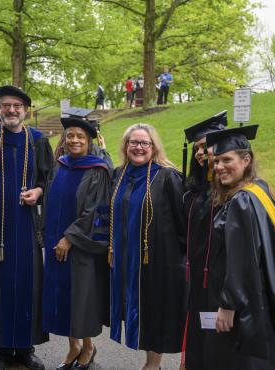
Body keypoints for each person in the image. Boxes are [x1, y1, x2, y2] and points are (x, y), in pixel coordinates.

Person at [184, 125, 275, 370]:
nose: (219, 167)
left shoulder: (241, 201)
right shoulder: (259, 189)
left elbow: (242, 259)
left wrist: (228, 304)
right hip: (260, 297)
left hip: (243, 305)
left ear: (246, 159)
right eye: (216, 160)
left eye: (227, 160)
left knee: (234, 360)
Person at [0, 85, 54, 370]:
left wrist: (39, 192)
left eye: (17, 106)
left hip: (27, 226)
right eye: (6, 105)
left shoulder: (38, 141)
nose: (11, 110)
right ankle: (3, 349)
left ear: (25, 110)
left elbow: (48, 177)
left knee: (28, 283)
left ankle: (26, 347)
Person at [109, 123, 185, 370]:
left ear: (154, 147)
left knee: (155, 312)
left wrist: (181, 260)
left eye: (144, 143)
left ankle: (153, 364)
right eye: (134, 142)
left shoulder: (167, 176)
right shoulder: (119, 174)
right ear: (125, 145)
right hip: (127, 258)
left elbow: (183, 221)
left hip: (159, 260)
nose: (139, 147)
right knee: (138, 310)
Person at [43, 117, 112, 370]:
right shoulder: (60, 166)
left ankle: (88, 346)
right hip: (54, 244)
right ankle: (73, 346)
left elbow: (96, 212)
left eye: (80, 137)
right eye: (70, 136)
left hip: (80, 246)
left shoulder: (97, 170)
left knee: (80, 298)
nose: (74, 140)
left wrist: (69, 238)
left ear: (89, 141)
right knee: (62, 298)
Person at [180, 111, 227, 369]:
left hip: (222, 282)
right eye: (197, 147)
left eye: (206, 146)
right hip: (198, 280)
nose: (199, 152)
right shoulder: (193, 193)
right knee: (199, 336)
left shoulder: (235, 193)